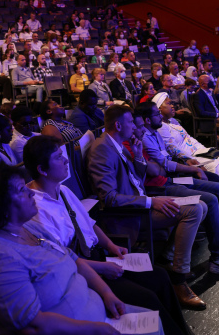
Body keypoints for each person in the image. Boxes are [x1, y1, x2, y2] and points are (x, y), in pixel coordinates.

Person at [0, 164, 163, 335]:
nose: (30, 192)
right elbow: (32, 327)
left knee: (155, 321)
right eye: (21, 189)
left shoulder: (27, 227)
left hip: (99, 316)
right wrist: (94, 328)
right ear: (0, 204)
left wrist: (106, 293)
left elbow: (74, 260)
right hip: (81, 329)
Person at [22, 136, 188, 333]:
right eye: (59, 158)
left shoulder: (63, 189)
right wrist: (103, 267)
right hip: (84, 270)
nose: (66, 161)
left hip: (99, 255)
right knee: (148, 297)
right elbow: (65, 259)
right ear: (42, 169)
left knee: (160, 276)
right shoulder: (35, 210)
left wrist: (111, 246)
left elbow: (89, 225)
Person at [86, 105, 209, 309]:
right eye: (130, 123)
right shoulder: (102, 149)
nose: (134, 127)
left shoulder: (117, 144)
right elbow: (108, 198)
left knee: (201, 206)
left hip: (142, 202)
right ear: (118, 125)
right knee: (195, 210)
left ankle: (170, 259)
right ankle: (179, 280)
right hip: (129, 215)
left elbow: (137, 180)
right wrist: (152, 201)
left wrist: (137, 156)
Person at [135, 100, 219, 261]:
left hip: (169, 177)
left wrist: (186, 162)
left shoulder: (154, 132)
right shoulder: (141, 139)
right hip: (164, 184)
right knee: (212, 195)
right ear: (147, 120)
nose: (160, 116)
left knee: (214, 180)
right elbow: (161, 166)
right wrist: (192, 168)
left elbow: (166, 159)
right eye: (157, 114)